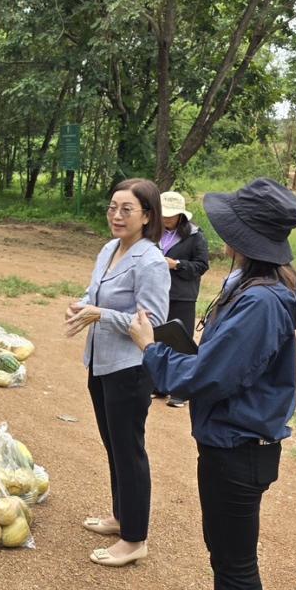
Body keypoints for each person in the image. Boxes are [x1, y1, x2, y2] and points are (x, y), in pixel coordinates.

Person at [129, 178, 296, 590]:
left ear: (245, 237)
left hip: (239, 447)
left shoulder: (261, 302)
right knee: (225, 554)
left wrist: (152, 349)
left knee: (235, 562)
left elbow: (208, 378)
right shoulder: (256, 282)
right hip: (231, 441)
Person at [67, 178, 169, 568]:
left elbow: (154, 321)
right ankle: (121, 516)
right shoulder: (109, 248)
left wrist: (101, 314)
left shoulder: (151, 261)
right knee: (113, 445)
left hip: (130, 369)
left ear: (147, 216)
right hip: (101, 362)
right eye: (112, 207)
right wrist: (81, 306)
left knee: (129, 451)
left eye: (127, 209)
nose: (117, 216)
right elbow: (95, 295)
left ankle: (135, 538)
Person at [156, 191, 210, 408]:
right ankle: (159, 385)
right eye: (163, 214)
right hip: (158, 293)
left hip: (182, 296)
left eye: (171, 215)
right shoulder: (153, 233)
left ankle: (181, 391)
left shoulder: (195, 236)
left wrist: (176, 264)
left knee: (180, 342)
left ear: (181, 215)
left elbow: (201, 266)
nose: (166, 219)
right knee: (158, 338)